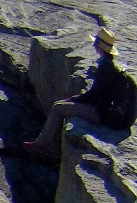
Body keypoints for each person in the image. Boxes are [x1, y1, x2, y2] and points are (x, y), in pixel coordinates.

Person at [24, 28, 126, 157]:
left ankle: (41, 145)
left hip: (98, 112)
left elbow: (96, 96)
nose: (94, 45)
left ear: (99, 46)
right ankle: (49, 144)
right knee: (61, 105)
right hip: (100, 109)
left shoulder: (106, 68)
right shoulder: (109, 65)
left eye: (95, 43)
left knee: (57, 108)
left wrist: (76, 99)